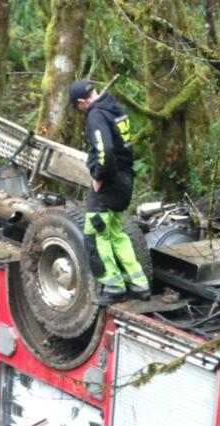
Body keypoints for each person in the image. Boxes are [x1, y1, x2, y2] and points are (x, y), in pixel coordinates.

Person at [68, 79, 150, 304]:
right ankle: (139, 284)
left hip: (110, 181)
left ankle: (113, 287)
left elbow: (106, 149)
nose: (79, 111)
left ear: (81, 102)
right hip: (126, 179)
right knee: (115, 233)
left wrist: (99, 177)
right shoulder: (115, 108)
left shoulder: (96, 115)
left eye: (77, 107)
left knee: (95, 234)